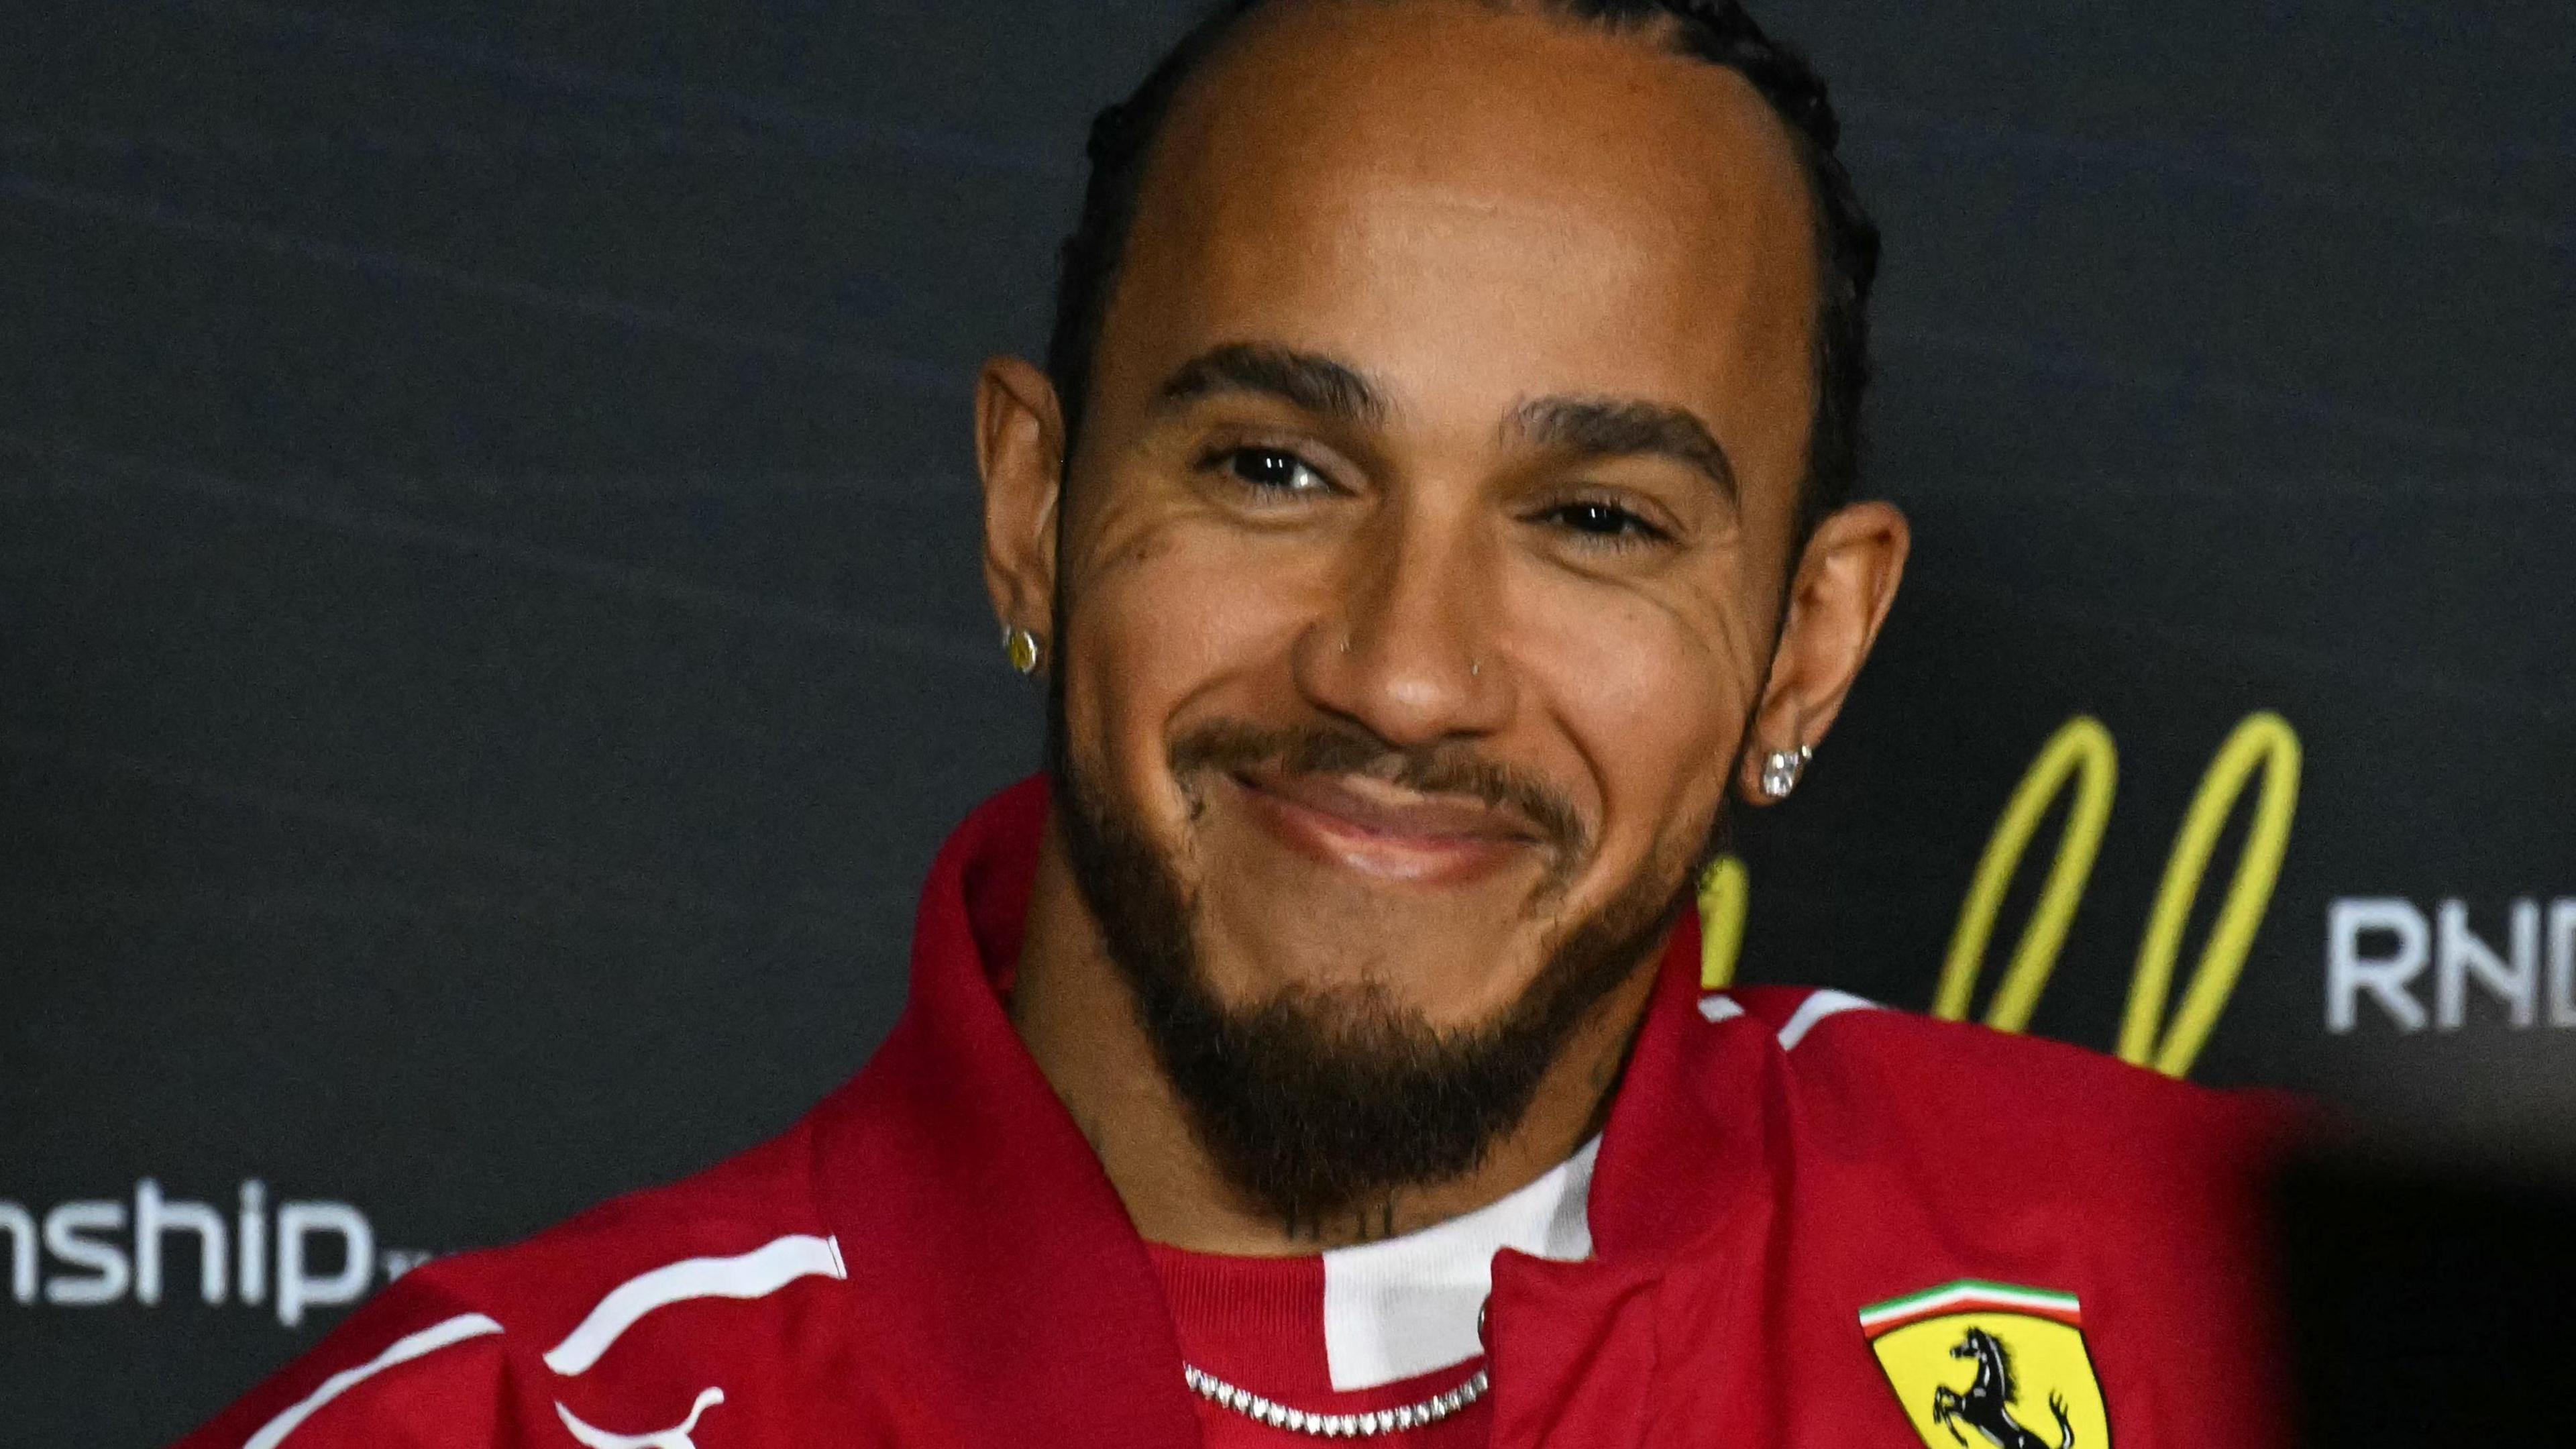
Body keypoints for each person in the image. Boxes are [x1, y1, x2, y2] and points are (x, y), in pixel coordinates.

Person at [179, 2, 2296, 1446]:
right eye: (1277, 468)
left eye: (1591, 518)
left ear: (1809, 648)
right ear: (1033, 507)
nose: (1400, 671)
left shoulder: (2235, 1307)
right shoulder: (509, 1421)